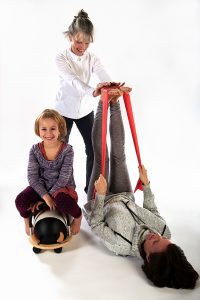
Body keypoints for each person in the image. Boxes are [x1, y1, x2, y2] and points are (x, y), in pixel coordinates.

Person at [84, 88, 199, 289]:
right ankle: (115, 101)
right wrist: (146, 186)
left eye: (155, 243)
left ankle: (102, 101)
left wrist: (101, 195)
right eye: (164, 240)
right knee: (120, 155)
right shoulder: (165, 231)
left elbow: (96, 224)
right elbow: (152, 211)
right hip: (125, 194)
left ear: (147, 257)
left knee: (102, 156)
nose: (157, 235)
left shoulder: (120, 245)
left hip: (99, 200)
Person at [55, 9, 112, 193]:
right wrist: (92, 91)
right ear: (70, 37)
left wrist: (111, 86)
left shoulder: (92, 58)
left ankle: (91, 190)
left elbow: (102, 73)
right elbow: (72, 80)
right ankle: (64, 190)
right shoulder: (61, 58)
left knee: (94, 150)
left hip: (85, 111)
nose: (83, 46)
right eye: (79, 41)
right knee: (61, 152)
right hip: (63, 110)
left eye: (87, 42)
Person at [15, 109, 82, 236]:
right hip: (41, 186)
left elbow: (63, 178)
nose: (48, 133)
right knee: (21, 201)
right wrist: (44, 197)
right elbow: (32, 177)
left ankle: (78, 217)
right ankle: (26, 218)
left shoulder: (67, 150)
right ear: (38, 130)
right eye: (44, 129)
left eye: (53, 128)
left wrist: (49, 197)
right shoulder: (34, 150)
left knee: (63, 202)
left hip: (61, 188)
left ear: (60, 129)